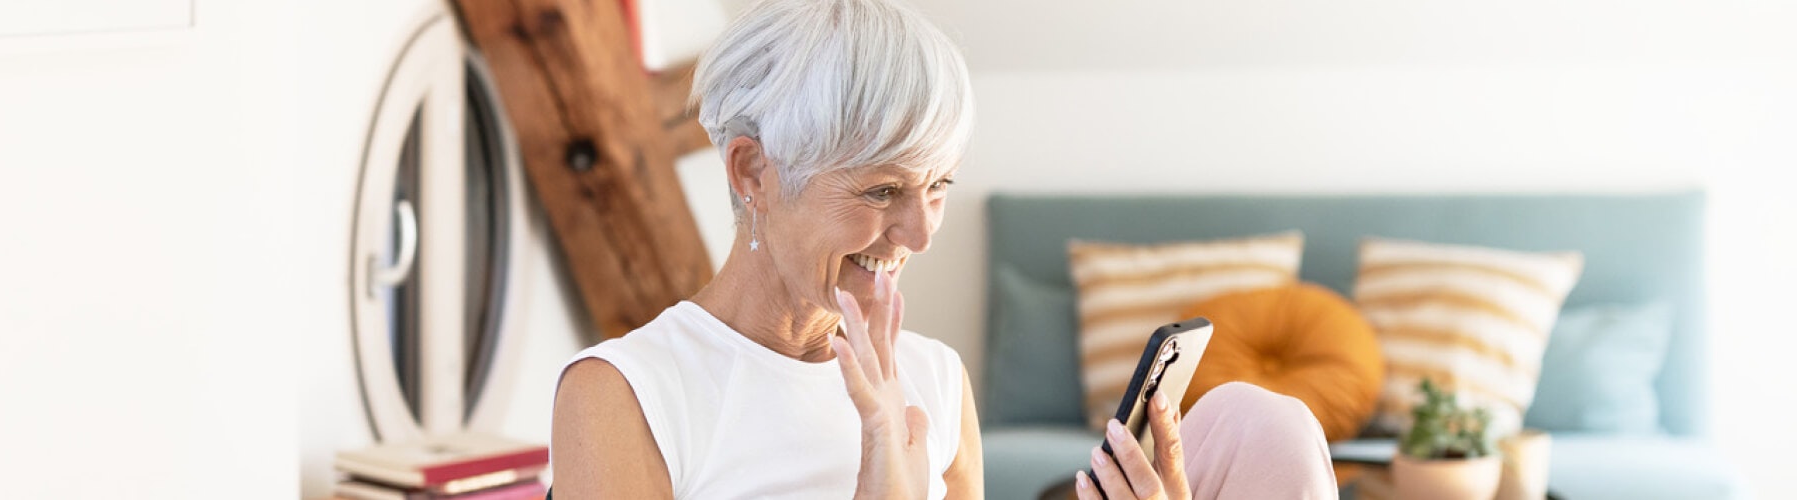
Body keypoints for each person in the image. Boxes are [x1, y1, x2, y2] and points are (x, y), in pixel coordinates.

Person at [550, 0, 1338, 498]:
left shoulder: (933, 375)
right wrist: (883, 466)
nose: (921, 234)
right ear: (753, 169)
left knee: (1260, 425)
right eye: (882, 191)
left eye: (938, 187)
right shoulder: (627, 397)